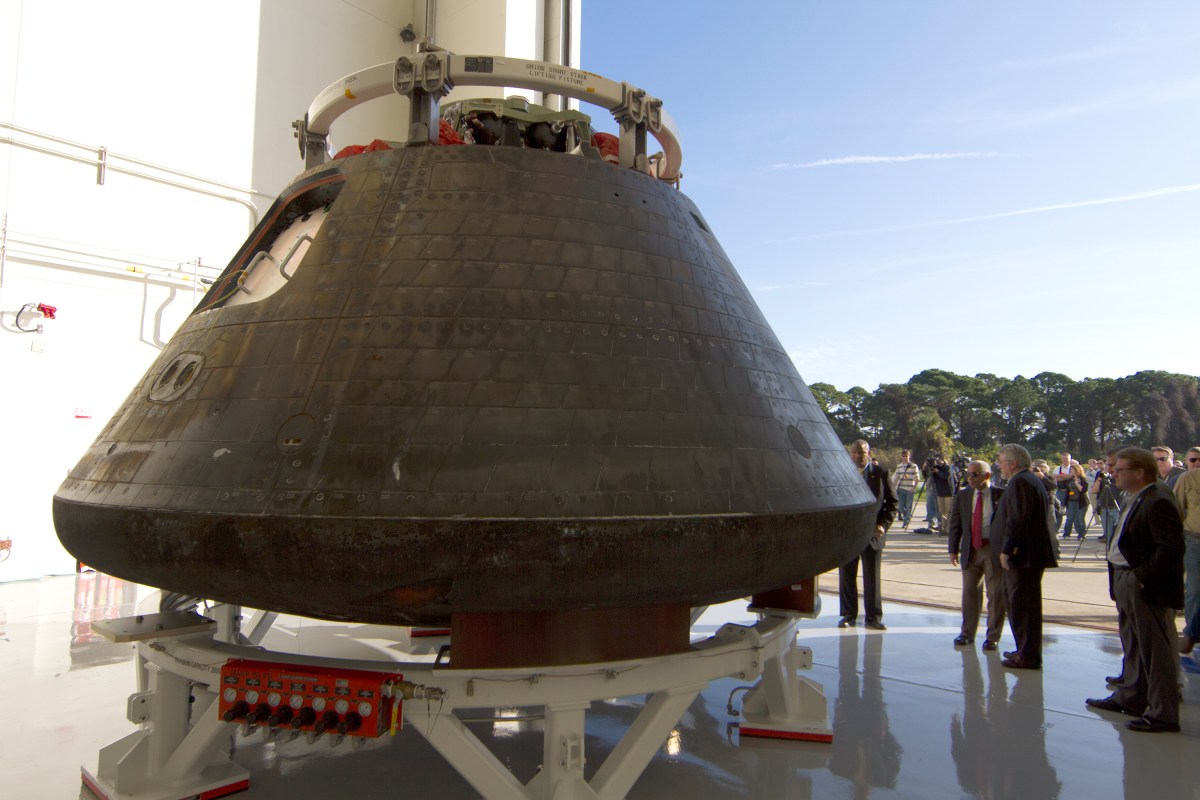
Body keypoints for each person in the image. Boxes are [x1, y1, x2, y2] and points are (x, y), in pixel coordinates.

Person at [1085, 447, 1184, 733]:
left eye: (1121, 470)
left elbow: (1171, 547)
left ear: (1140, 472)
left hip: (1144, 585)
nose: (1114, 474)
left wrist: (1141, 577)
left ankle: (1163, 714)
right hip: (1127, 579)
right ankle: (1132, 697)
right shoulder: (1139, 496)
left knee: (1155, 651)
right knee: (1135, 645)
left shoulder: (1158, 499)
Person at [994, 443, 1058, 669]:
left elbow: (1018, 519)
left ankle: (1028, 655)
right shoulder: (1029, 480)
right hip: (1029, 554)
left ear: (1012, 463)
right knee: (1021, 605)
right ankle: (1024, 648)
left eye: (1001, 462)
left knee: (1023, 606)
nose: (999, 466)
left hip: (1024, 555)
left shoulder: (1021, 482)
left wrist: (1007, 549)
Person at [839, 439, 898, 631]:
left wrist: (883, 525)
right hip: (849, 535)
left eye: (862, 453)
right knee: (847, 576)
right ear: (850, 454)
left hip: (872, 534)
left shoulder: (880, 474)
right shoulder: (842, 473)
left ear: (869, 453)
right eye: (855, 452)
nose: (858, 456)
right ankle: (848, 615)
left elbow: (892, 503)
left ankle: (873, 617)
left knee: (872, 577)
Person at [947, 460, 1006, 650]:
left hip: (992, 549)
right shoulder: (963, 496)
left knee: (995, 594)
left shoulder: (1000, 495)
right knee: (970, 593)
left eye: (974, 475)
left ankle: (993, 636)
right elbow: (955, 524)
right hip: (971, 549)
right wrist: (952, 549)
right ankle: (967, 633)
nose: (970, 478)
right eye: (968, 474)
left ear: (987, 476)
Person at [1175, 446, 1200, 654]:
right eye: (1193, 460)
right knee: (1196, 589)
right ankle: (1190, 633)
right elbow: (1175, 509)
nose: (1197, 463)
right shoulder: (1188, 479)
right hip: (1195, 541)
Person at [1090, 451, 1122, 546]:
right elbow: (1094, 490)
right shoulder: (1100, 475)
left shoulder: (1118, 475)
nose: (1101, 466)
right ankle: (1109, 552)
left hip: (1116, 507)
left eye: (1102, 464)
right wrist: (1100, 478)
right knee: (1108, 533)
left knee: (1118, 533)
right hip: (1104, 507)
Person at [892, 449, 921, 529]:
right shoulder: (899, 466)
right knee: (900, 506)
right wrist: (893, 488)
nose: (905, 458)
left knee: (908, 506)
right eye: (903, 456)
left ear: (909, 456)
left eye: (906, 456)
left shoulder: (913, 466)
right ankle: (906, 515)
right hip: (901, 488)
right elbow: (896, 477)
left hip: (909, 489)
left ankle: (906, 522)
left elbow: (917, 478)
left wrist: (913, 487)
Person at [1060, 463, 1090, 540]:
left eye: (1072, 470)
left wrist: (1077, 484)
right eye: (1070, 470)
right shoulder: (1070, 479)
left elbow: (1083, 490)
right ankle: (1066, 534)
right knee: (1069, 518)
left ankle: (1081, 535)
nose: (1071, 471)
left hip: (1081, 502)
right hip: (1071, 501)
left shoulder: (1083, 479)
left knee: (1080, 519)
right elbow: (1065, 488)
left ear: (1077, 471)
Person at [929, 456, 955, 534]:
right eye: (937, 460)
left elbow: (946, 476)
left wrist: (938, 472)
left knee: (948, 511)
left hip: (948, 493)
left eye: (940, 460)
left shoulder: (948, 468)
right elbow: (928, 476)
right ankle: (943, 528)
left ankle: (947, 528)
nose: (938, 461)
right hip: (939, 493)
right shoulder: (935, 468)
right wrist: (926, 468)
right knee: (941, 511)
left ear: (943, 460)